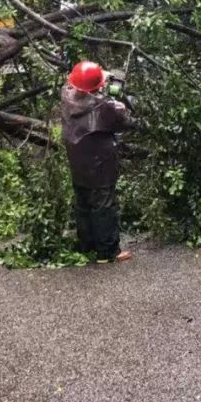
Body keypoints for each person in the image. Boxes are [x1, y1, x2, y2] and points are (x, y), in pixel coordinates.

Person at [61, 61, 135, 264]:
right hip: (99, 162)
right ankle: (108, 252)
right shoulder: (105, 106)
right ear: (97, 87)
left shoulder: (66, 95)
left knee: (83, 202)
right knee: (104, 205)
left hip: (77, 158)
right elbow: (125, 121)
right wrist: (117, 96)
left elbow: (83, 85)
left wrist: (100, 81)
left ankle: (87, 245)